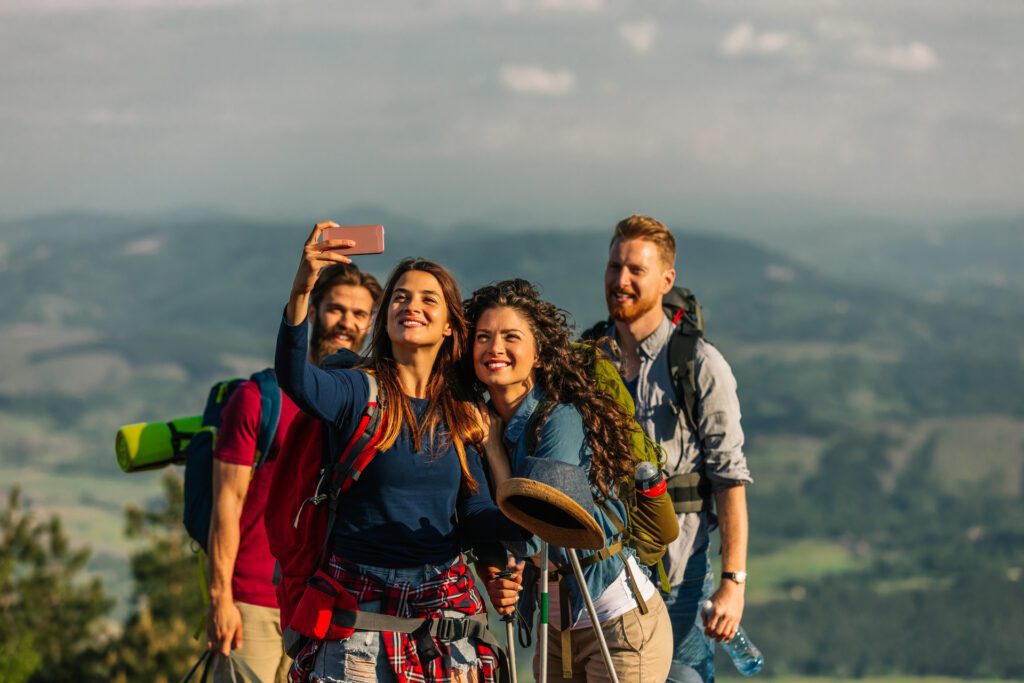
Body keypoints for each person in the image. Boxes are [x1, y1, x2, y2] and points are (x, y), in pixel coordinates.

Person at [275, 221, 525, 683]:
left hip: (443, 620)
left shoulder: (460, 411)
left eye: (428, 299)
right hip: (357, 617)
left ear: (451, 325)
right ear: (385, 316)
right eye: (401, 297)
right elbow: (297, 381)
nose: (412, 306)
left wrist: (530, 516)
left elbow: (474, 513)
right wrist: (302, 288)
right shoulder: (357, 391)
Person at [468, 279, 673, 683]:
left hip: (620, 627)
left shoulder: (559, 419)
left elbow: (537, 531)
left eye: (511, 337)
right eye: (483, 337)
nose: (494, 348)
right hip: (558, 631)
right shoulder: (480, 419)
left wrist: (492, 451)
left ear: (539, 353)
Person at [207, 262, 381, 682]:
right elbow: (226, 503)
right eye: (337, 309)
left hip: (325, 601)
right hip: (255, 600)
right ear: (315, 309)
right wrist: (220, 597)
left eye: (360, 315)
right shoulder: (257, 399)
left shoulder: (367, 406)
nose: (347, 323)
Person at [597, 215, 753, 683]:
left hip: (681, 580)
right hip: (603, 581)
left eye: (635, 271)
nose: (620, 280)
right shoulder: (588, 359)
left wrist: (733, 583)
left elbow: (729, 480)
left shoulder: (699, 366)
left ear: (666, 280)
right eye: (613, 266)